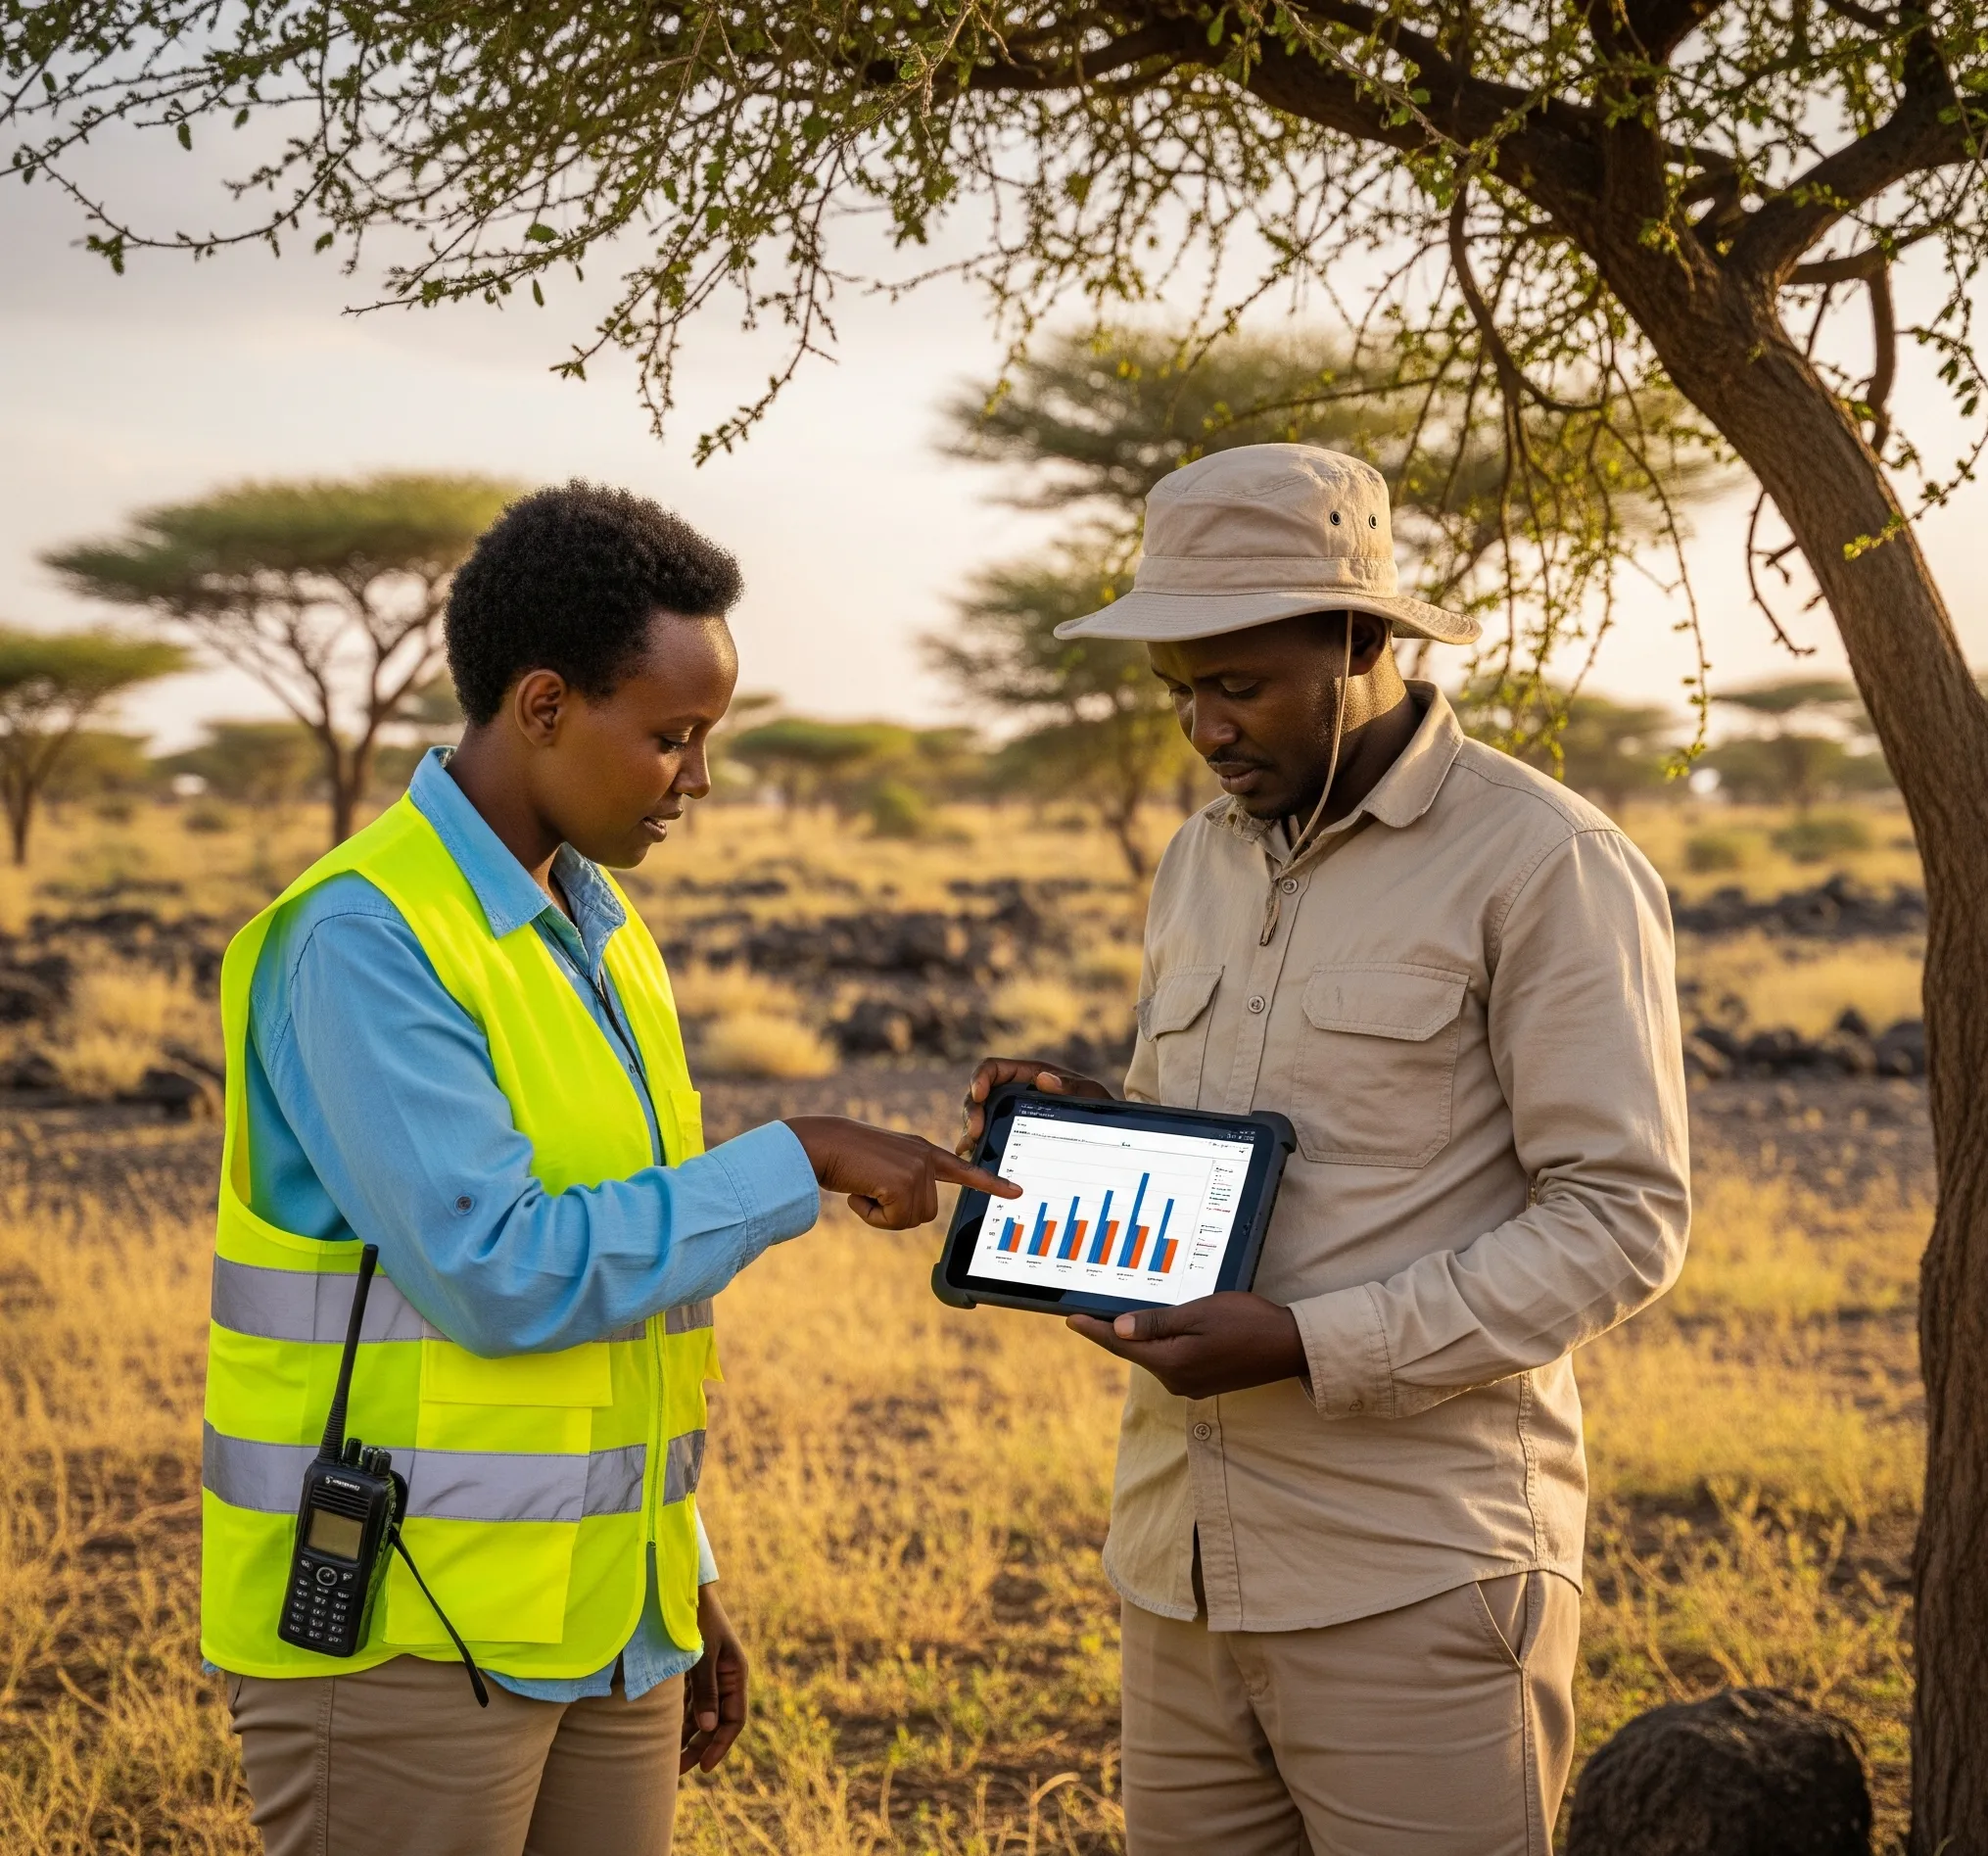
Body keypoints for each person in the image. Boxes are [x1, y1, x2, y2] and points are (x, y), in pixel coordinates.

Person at [202, 482, 1016, 1856]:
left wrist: (674, 1572)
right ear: (540, 708)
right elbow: (498, 1271)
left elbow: (624, 1284)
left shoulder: (600, 922)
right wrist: (798, 1155)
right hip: (403, 1627)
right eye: (672, 738)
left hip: (606, 1620)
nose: (695, 778)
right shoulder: (363, 939)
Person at [964, 445, 1689, 1856]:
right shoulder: (1200, 857)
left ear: (1358, 642)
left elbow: (1619, 1219)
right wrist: (1092, 1121)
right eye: (1182, 690)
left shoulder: (1542, 861)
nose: (1203, 730)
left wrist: (1306, 1340)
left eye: (1237, 686)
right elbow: (1244, 1150)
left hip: (1414, 1575)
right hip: (1176, 1566)